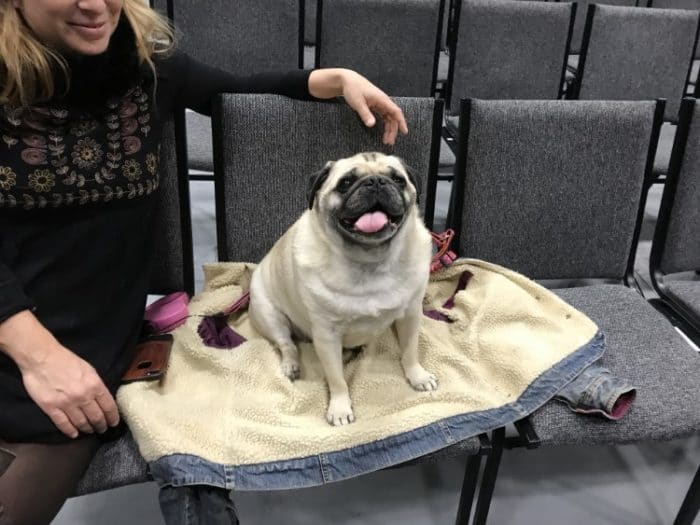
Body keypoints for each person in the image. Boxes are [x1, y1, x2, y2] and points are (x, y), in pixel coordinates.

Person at [0, 1, 409, 523]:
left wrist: (335, 78)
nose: (95, 4)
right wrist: (38, 357)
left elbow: (238, 91)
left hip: (82, 339)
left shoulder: (145, 66)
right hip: (20, 331)